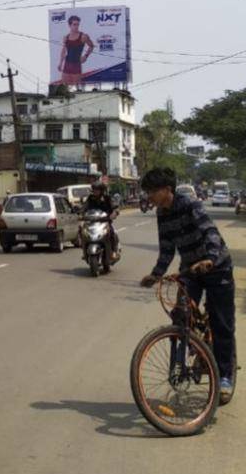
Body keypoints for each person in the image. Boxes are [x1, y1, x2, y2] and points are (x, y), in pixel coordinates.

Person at [138, 167, 236, 403]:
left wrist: (210, 259)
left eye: (152, 191)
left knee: (221, 323)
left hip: (217, 266)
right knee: (180, 314)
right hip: (190, 269)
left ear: (167, 190)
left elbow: (210, 231)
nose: (148, 196)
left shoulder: (191, 205)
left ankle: (224, 376)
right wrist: (155, 274)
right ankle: (180, 362)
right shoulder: (162, 213)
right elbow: (167, 248)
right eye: (147, 191)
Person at [82, 181, 119, 259]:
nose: (95, 191)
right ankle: (84, 252)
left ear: (101, 190)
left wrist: (114, 213)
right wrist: (79, 213)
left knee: (112, 233)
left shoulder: (107, 198)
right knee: (82, 232)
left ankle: (114, 251)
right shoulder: (90, 198)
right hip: (92, 222)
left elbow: (114, 207)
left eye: (97, 189)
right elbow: (84, 207)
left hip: (105, 222)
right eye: (94, 189)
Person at [57, 15, 95, 85]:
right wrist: (60, 63)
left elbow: (91, 46)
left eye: (78, 24)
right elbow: (63, 51)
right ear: (69, 25)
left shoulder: (83, 36)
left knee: (76, 88)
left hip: (76, 65)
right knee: (64, 87)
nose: (76, 26)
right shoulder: (66, 37)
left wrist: (85, 56)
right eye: (74, 24)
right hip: (67, 65)